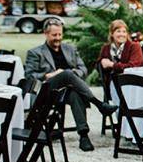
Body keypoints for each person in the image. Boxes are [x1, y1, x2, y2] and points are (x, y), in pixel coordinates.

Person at [24, 17, 118, 151]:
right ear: (46, 34)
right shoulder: (35, 52)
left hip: (68, 90)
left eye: (60, 34)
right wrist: (49, 75)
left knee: (75, 93)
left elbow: (83, 70)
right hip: (48, 89)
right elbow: (29, 75)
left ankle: (84, 136)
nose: (58, 38)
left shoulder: (70, 49)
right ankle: (99, 104)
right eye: (54, 35)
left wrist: (72, 73)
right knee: (67, 74)